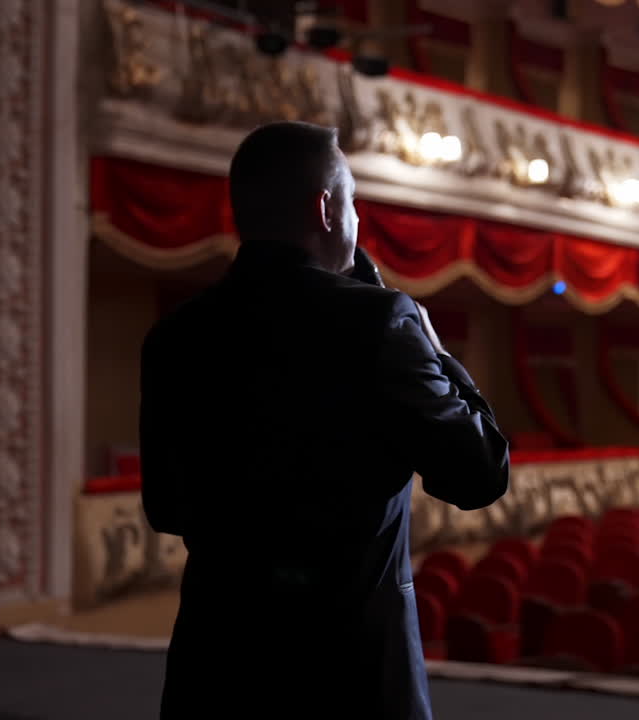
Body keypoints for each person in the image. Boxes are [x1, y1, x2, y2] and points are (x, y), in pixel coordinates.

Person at [140, 121, 509, 719]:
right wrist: (434, 347)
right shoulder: (384, 322)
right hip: (351, 674)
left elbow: (167, 508)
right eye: (354, 200)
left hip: (216, 669)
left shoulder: (175, 336)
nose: (358, 218)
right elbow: (480, 473)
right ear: (326, 208)